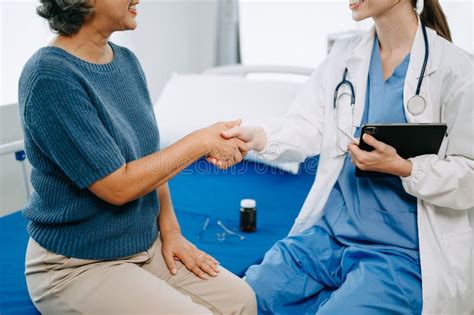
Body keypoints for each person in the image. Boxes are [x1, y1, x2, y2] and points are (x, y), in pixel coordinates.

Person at [216, 0, 474, 313]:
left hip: (399, 253)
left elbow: (469, 174)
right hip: (327, 237)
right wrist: (261, 137)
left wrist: (405, 168)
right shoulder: (344, 57)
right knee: (240, 298)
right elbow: (307, 124)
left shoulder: (457, 70)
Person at [20, 0, 256, 314]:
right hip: (78, 264)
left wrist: (171, 232)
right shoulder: (51, 77)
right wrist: (200, 142)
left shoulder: (126, 61)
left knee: (242, 300)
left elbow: (150, 158)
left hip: (145, 246)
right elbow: (118, 187)